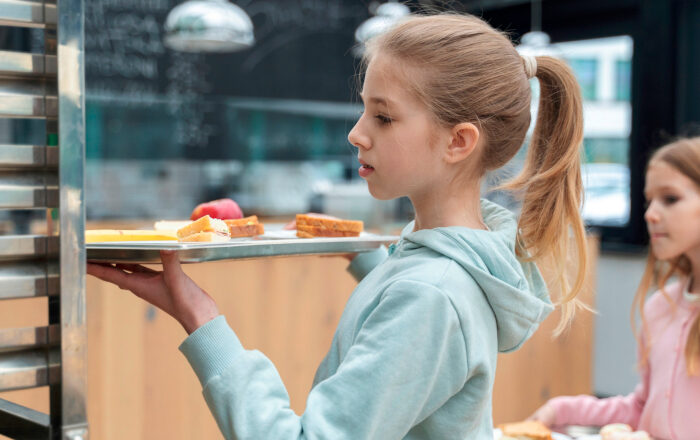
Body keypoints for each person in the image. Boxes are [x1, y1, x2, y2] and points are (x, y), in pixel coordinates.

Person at [88, 13, 588, 439]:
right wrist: (364, 257)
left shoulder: (431, 296)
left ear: (458, 142)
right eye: (363, 110)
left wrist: (201, 318)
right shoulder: (457, 266)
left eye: (384, 118)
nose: (357, 134)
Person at [529, 137, 700, 439]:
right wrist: (561, 410)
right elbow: (641, 409)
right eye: (649, 201)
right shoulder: (660, 307)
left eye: (670, 198)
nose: (650, 214)